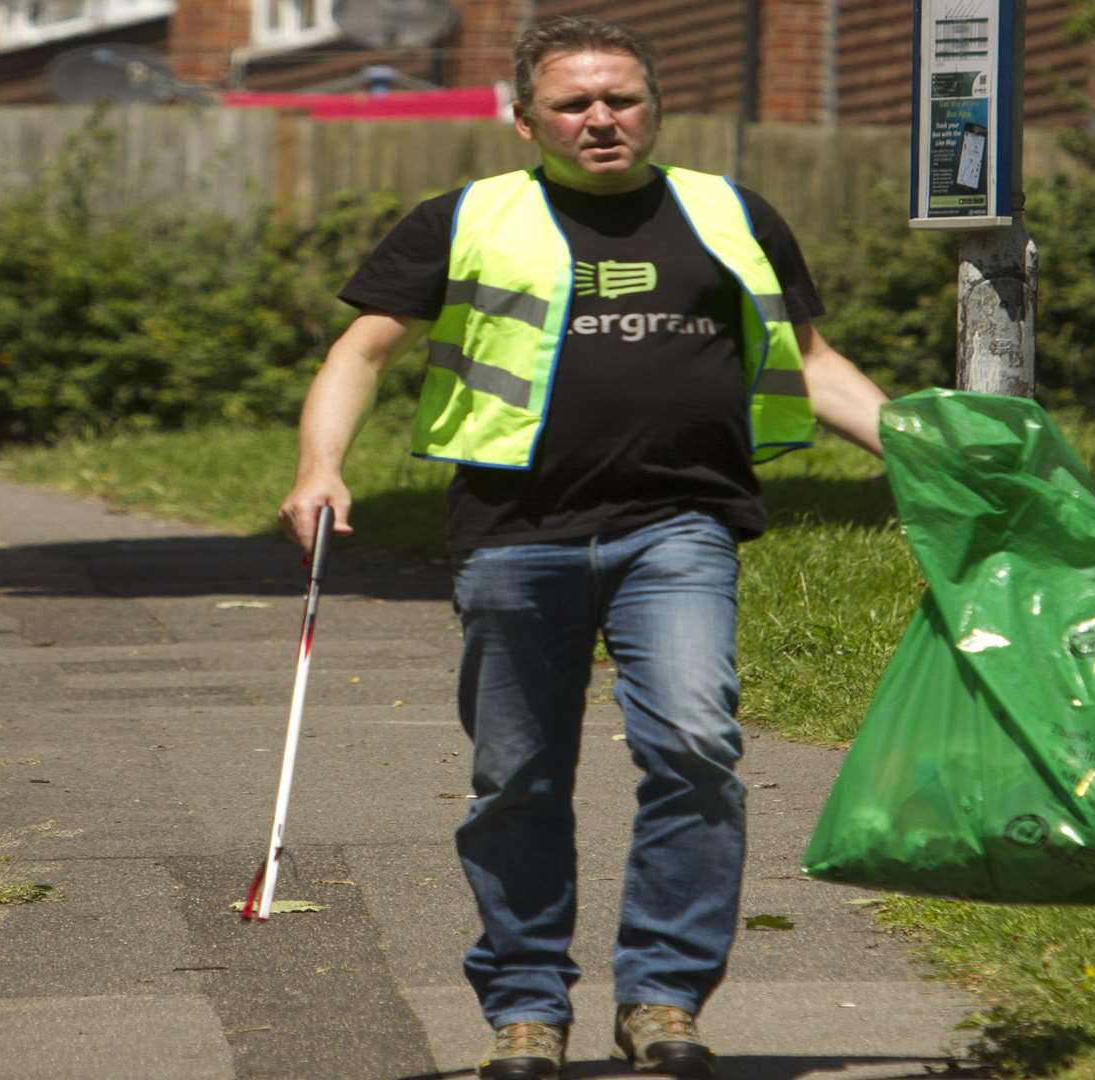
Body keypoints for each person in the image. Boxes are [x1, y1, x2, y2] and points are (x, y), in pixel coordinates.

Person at [277, 16, 888, 1079]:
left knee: (696, 748)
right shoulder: (464, 219)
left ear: (654, 108)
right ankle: (525, 1008)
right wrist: (317, 468)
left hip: (680, 525)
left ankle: (662, 999)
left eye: (622, 99)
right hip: (517, 536)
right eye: (574, 104)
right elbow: (360, 351)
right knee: (516, 778)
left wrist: (932, 457)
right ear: (526, 121)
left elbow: (819, 361)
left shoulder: (731, 212)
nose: (602, 119)